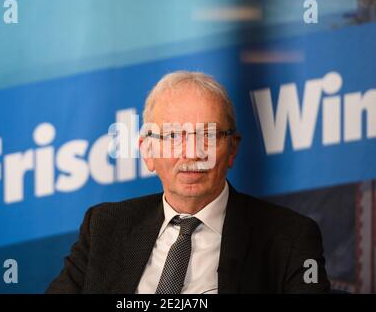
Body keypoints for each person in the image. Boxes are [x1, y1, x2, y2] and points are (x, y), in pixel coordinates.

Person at [46, 71, 330, 294]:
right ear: (147, 151)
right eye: (173, 137)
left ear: (232, 149)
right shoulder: (105, 226)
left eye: (207, 136)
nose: (192, 153)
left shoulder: (290, 238)